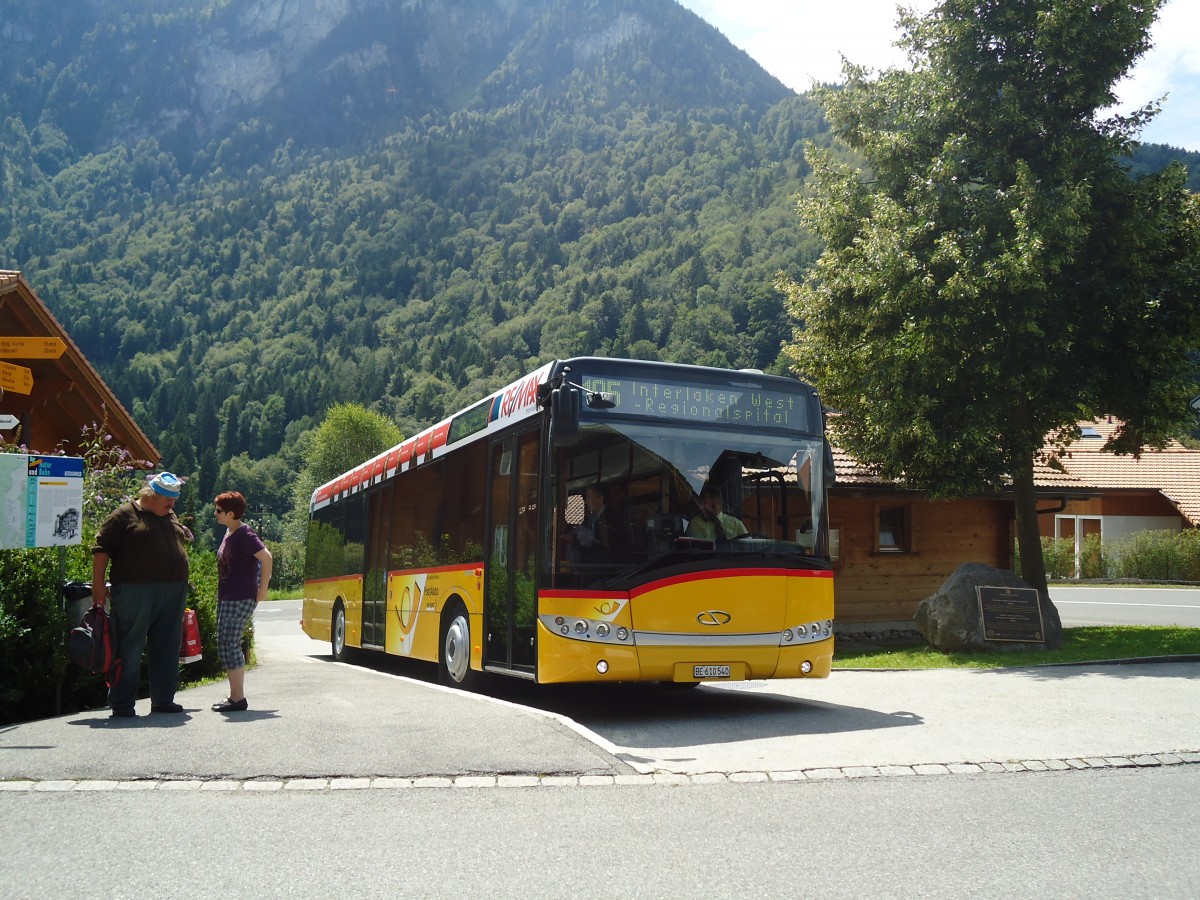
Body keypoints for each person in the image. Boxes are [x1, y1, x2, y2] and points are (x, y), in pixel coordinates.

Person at [92, 471, 191, 718]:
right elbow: (101, 550)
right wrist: (97, 585)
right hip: (135, 590)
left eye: (174, 500)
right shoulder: (123, 516)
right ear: (151, 495)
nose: (172, 505)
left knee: (168, 645)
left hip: (173, 590)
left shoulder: (168, 514)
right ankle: (123, 703)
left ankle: (163, 700)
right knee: (130, 645)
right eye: (168, 499)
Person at [212, 491, 272, 713]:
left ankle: (238, 698)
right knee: (225, 643)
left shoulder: (244, 533)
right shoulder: (230, 531)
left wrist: (262, 590)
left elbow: (266, 557)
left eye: (218, 511)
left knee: (229, 643)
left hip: (240, 596)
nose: (215, 514)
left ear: (231, 513)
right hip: (228, 596)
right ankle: (234, 695)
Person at [570, 483, 630, 564]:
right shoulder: (588, 520)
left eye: (590, 497)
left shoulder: (614, 517)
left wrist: (591, 541)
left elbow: (615, 544)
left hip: (609, 567)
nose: (586, 502)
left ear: (601, 498)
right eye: (586, 498)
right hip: (591, 567)